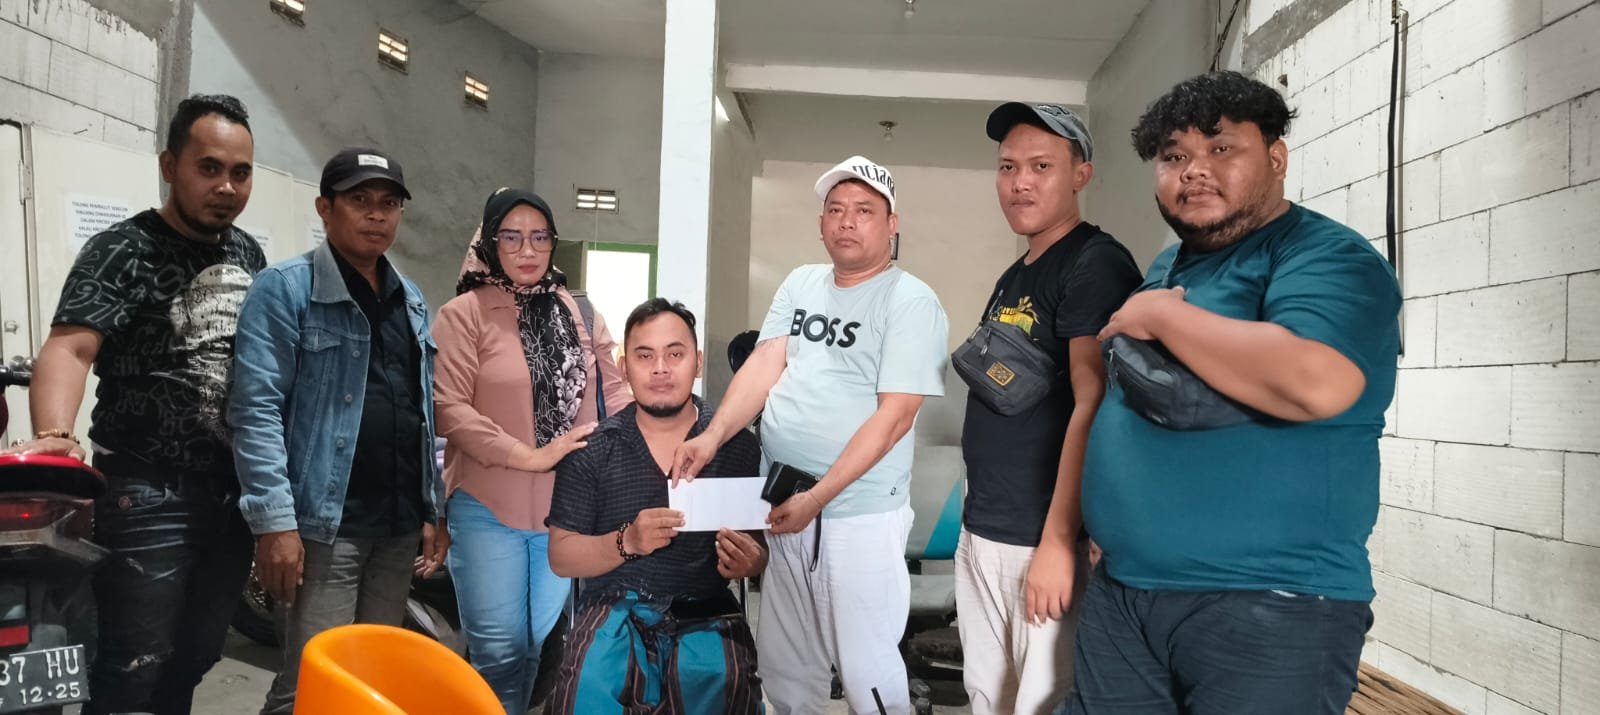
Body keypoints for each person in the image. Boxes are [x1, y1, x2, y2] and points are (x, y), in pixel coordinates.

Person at [1068, 71, 1401, 714]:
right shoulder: (1169, 266)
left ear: (1276, 158)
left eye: (1221, 148)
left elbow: (1316, 383)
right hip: (1127, 593)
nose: (1194, 170)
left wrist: (1162, 317)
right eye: (1174, 157)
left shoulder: (1324, 255)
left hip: (1269, 604)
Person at [2, 94, 264, 714]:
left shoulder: (248, 254)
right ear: (170, 166)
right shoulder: (123, 247)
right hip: (148, 489)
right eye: (209, 168)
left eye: (240, 172)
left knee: (198, 653)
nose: (226, 187)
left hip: (232, 492)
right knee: (132, 661)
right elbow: (70, 348)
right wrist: (57, 432)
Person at [674, 156, 950, 714]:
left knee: (867, 671)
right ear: (821, 223)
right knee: (786, 667)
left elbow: (895, 417)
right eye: (835, 209)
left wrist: (819, 497)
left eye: (864, 211)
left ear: (891, 225)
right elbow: (764, 365)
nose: (847, 220)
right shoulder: (801, 283)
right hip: (784, 505)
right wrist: (713, 434)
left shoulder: (911, 300)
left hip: (855, 518)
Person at [227, 147, 447, 715]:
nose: (376, 214)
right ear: (325, 208)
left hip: (396, 527)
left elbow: (419, 415)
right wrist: (275, 524)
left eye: (389, 203)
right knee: (309, 684)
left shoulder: (410, 299)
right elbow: (256, 411)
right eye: (359, 199)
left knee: (370, 681)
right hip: (325, 529)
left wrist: (431, 509)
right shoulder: (285, 289)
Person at [956, 103, 1141, 715]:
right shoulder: (1018, 273)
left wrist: (1060, 542)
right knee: (989, 698)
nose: (1020, 182)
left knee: (1042, 702)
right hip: (985, 527)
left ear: (1081, 174)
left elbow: (1096, 400)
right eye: (1008, 167)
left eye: (1041, 166)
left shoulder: (1096, 263)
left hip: (1040, 537)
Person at [431, 188, 630, 714]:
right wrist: (529, 455)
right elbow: (449, 408)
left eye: (539, 237)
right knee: (499, 652)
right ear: (490, 242)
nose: (527, 250)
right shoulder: (463, 314)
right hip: (487, 505)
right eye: (512, 237)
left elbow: (614, 396)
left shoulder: (580, 312)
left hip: (563, 510)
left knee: (536, 647)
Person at [544, 298, 765, 713]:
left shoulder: (736, 446)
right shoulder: (592, 449)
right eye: (645, 356)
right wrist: (626, 541)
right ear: (624, 367)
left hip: (706, 611)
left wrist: (752, 561)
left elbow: (756, 545)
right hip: (614, 609)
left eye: (675, 354)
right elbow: (561, 555)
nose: (660, 369)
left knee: (724, 682)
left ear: (698, 362)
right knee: (588, 685)